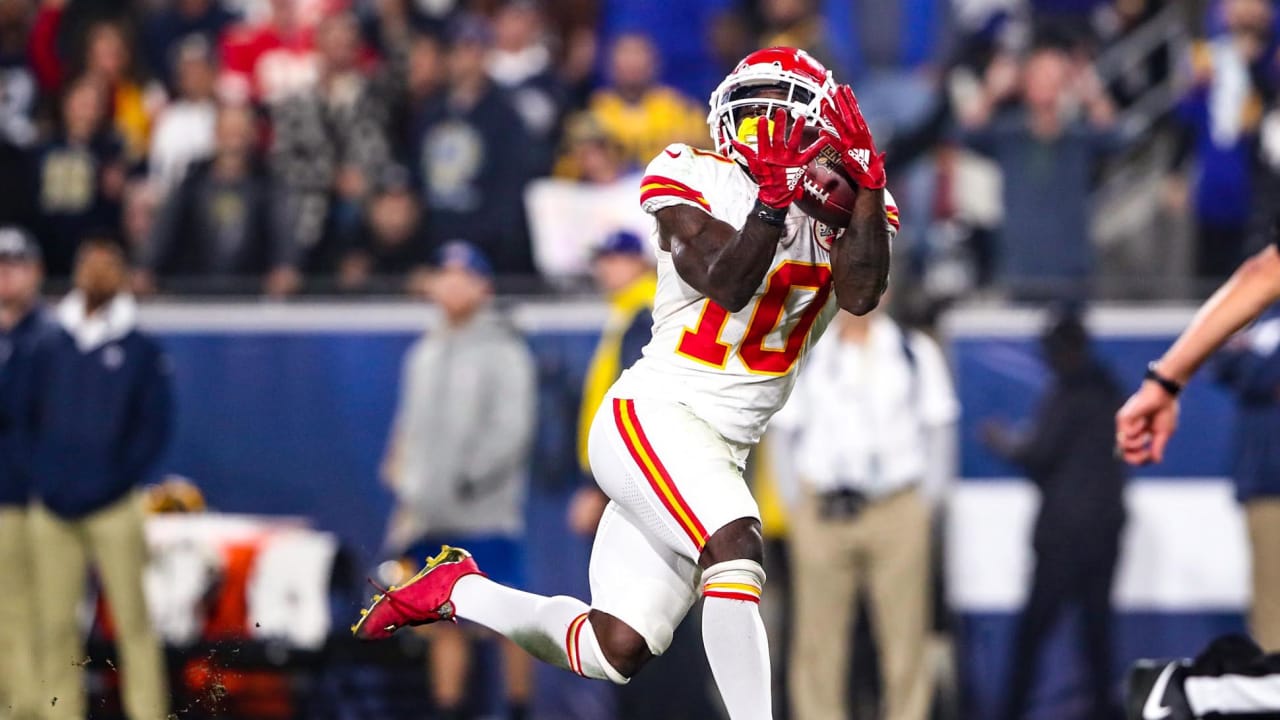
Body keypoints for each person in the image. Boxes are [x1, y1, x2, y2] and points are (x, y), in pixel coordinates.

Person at [354, 47, 898, 720]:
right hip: (657, 416)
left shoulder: (848, 203)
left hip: (718, 449)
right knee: (735, 544)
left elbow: (863, 294)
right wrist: (772, 201)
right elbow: (726, 284)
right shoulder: (687, 170)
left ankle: (460, 594)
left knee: (617, 647)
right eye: (755, 109)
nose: (766, 123)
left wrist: (868, 188)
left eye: (778, 109)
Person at [772, 306, 958, 720]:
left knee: (906, 638)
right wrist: (796, 508)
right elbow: (783, 432)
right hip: (822, 510)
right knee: (818, 641)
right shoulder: (808, 348)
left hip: (897, 507)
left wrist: (925, 506)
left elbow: (940, 427)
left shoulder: (915, 351)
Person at [380, 241, 535, 720]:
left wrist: (470, 479)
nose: (450, 283)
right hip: (430, 514)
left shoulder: (504, 350)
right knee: (443, 623)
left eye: (462, 274)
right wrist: (405, 486)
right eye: (443, 273)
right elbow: (408, 430)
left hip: (484, 513)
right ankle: (449, 712)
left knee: (507, 618)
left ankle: (518, 710)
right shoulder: (424, 352)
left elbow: (513, 429)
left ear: (483, 286)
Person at [21, 239, 172, 720]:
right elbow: (21, 417)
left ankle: (147, 712)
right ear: (77, 270)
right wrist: (43, 476)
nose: (98, 273)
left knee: (134, 623)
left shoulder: (139, 348)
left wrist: (116, 478)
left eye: (109, 264)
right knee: (53, 625)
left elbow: (155, 425)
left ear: (123, 274)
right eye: (89, 263)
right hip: (53, 509)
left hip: (114, 506)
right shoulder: (47, 343)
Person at [982, 312, 1128, 720]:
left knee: (1034, 631)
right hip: (1106, 528)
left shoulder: (1068, 393)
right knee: (1096, 632)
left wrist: (1001, 442)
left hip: (1065, 534)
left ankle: (1012, 710)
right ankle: (1104, 711)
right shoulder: (1111, 391)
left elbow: (1039, 453)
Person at [959, 44, 1119, 301]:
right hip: (1020, 269)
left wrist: (1092, 93)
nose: (1048, 85)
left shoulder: (1079, 137)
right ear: (1025, 82)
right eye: (1040, 76)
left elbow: (1115, 138)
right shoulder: (1008, 135)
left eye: (1056, 77)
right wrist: (991, 91)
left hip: (1072, 271)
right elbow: (966, 134)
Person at [139, 104, 293, 296]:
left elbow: (283, 236)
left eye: (240, 132)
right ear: (216, 134)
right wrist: (146, 268)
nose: (234, 141)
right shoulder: (192, 184)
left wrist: (285, 267)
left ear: (252, 135)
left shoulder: (268, 185)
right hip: (195, 297)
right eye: (228, 131)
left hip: (253, 299)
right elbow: (164, 231)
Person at [570, 230, 656, 537]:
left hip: (627, 477)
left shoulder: (645, 313)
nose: (605, 268)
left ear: (640, 262)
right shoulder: (626, 310)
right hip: (621, 473)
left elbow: (631, 405)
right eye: (602, 260)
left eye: (615, 259)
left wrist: (598, 486)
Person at [0, 228, 52, 720]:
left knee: (24, 612)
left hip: (25, 495)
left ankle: (27, 710)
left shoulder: (50, 339)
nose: (4, 275)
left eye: (14, 264)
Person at [1211, 305, 1280, 652]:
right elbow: (1222, 364)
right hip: (1266, 484)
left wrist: (1251, 360)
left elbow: (1255, 372)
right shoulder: (1262, 321)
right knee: (1270, 601)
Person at [587, 33, 706, 170]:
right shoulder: (596, 110)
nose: (632, 62)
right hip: (613, 189)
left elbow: (706, 153)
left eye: (638, 53)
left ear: (655, 62)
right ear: (611, 64)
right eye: (625, 53)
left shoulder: (678, 108)